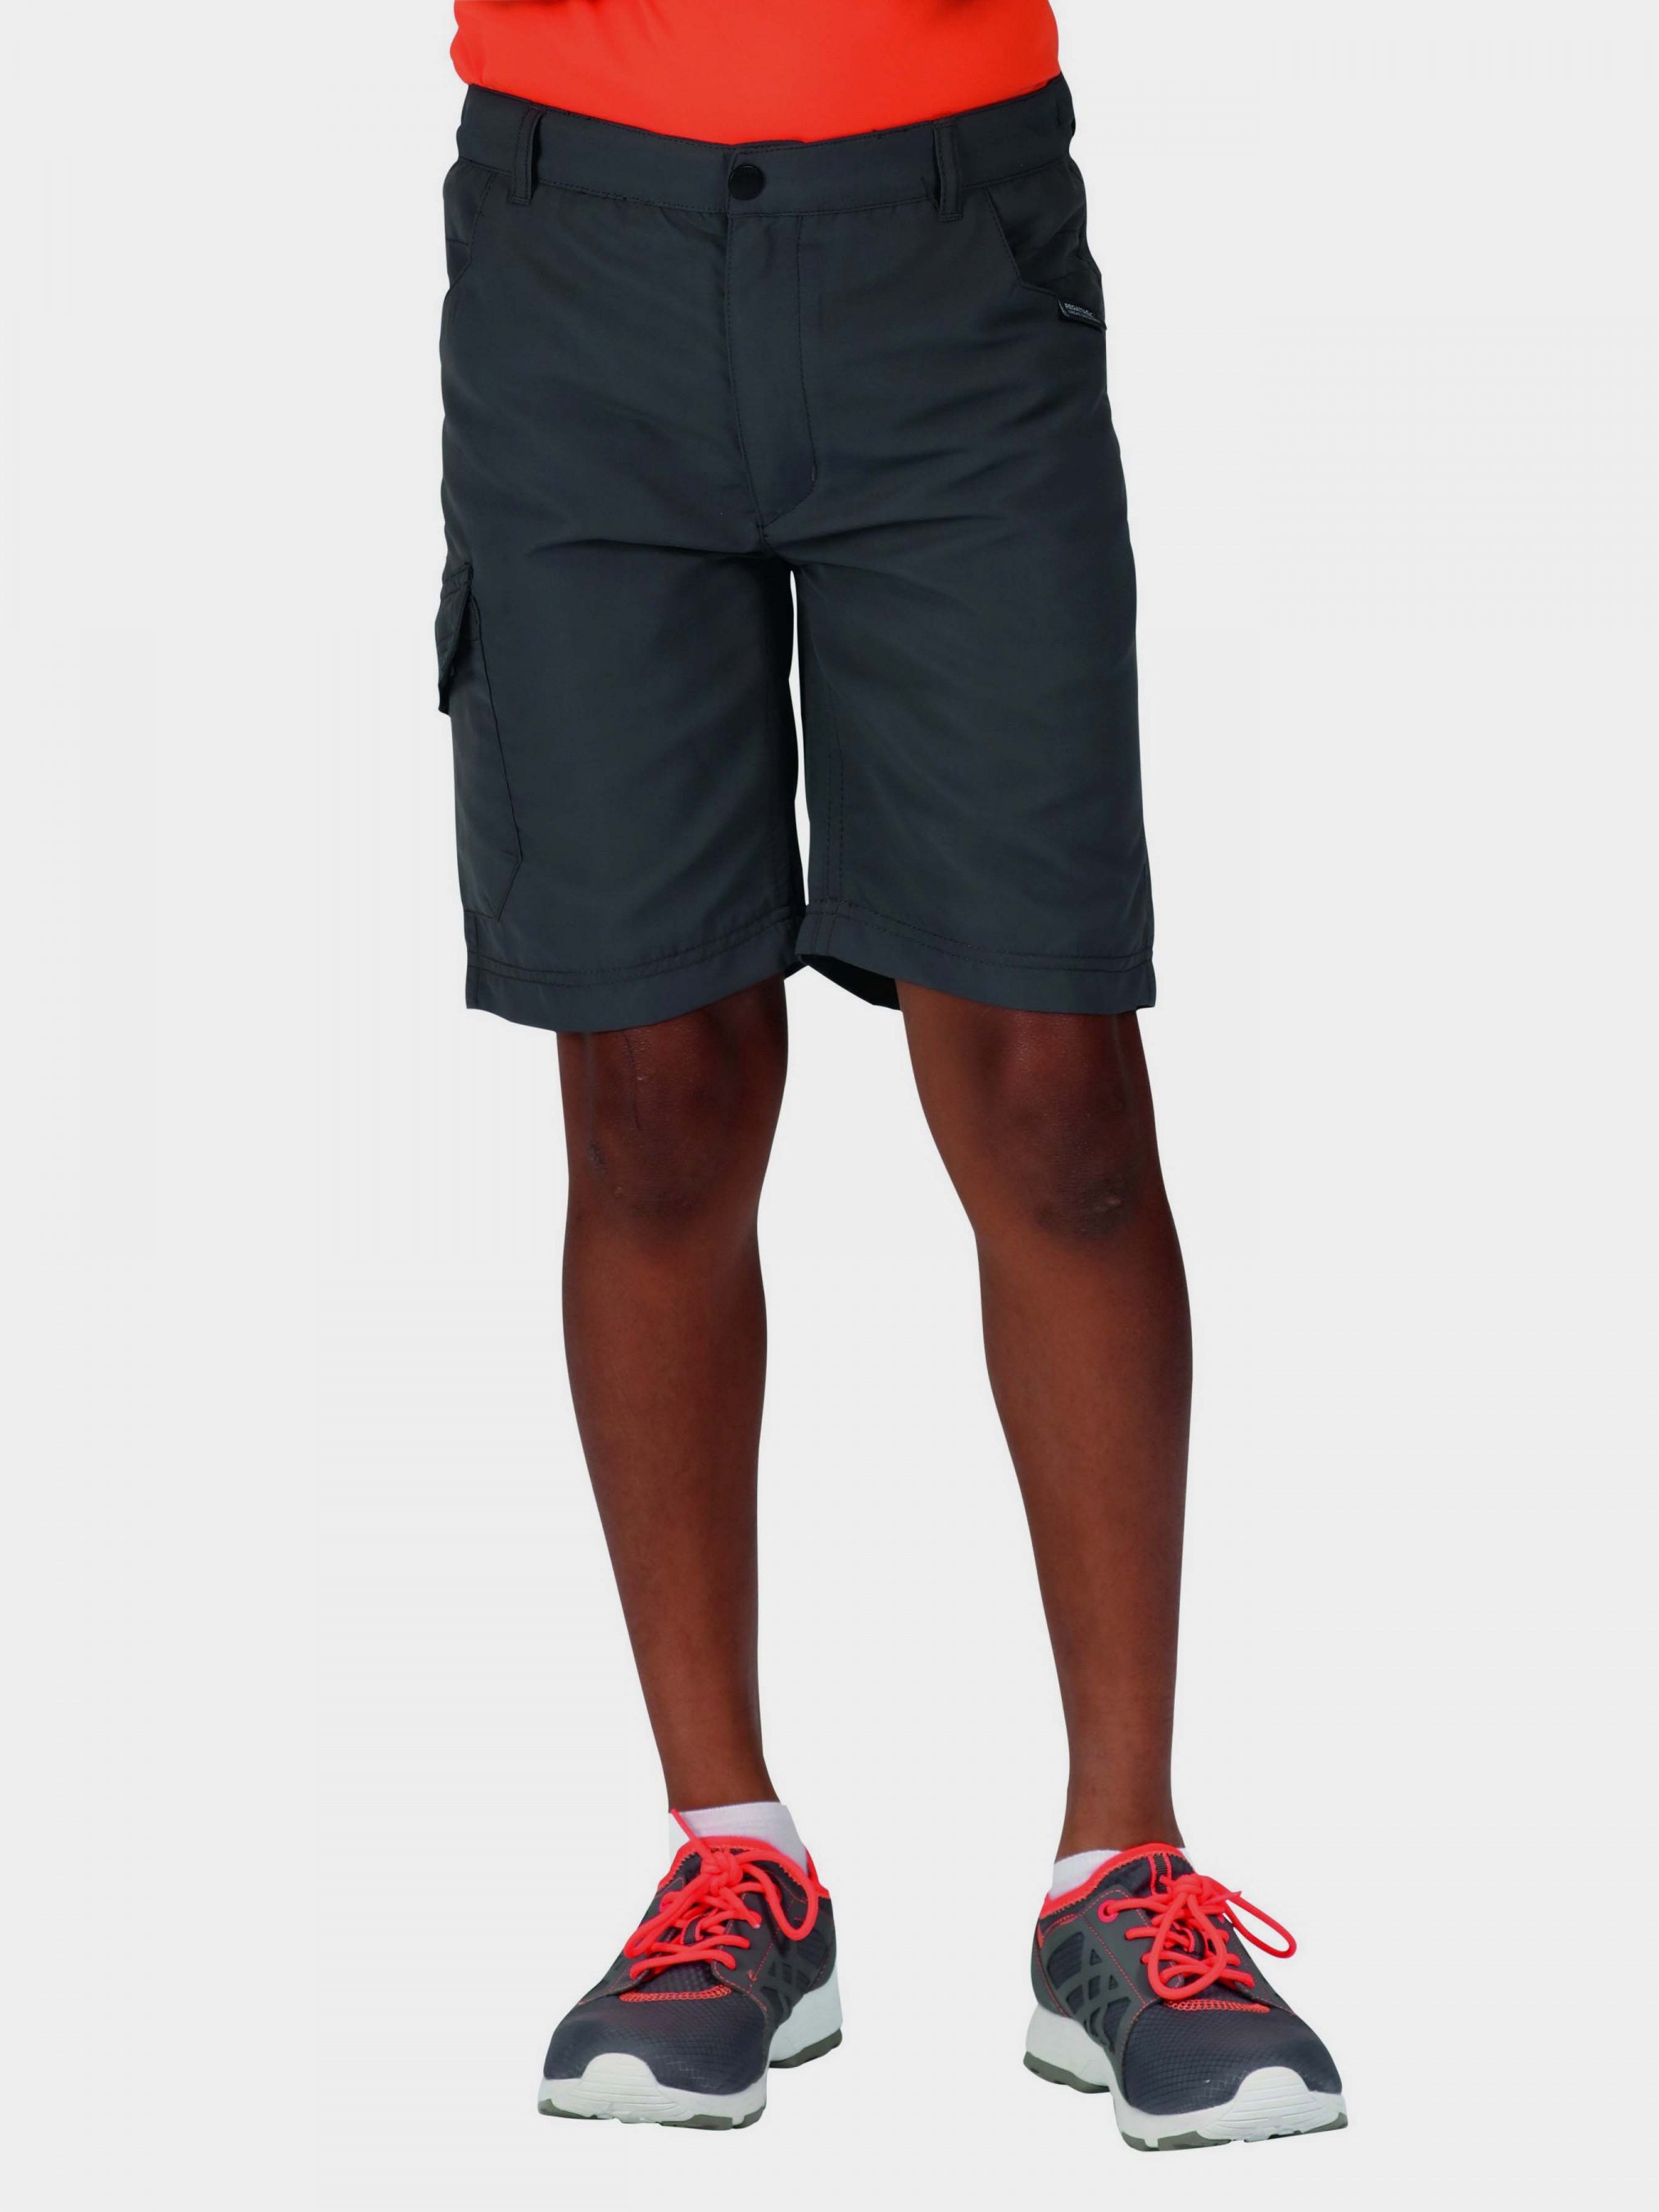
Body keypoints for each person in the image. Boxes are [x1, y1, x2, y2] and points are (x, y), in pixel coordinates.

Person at [436, 0, 1344, 2151]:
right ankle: (728, 1856)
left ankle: (1121, 1876)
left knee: (1052, 1088)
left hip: (950, 251)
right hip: (576, 261)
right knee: (650, 1084)